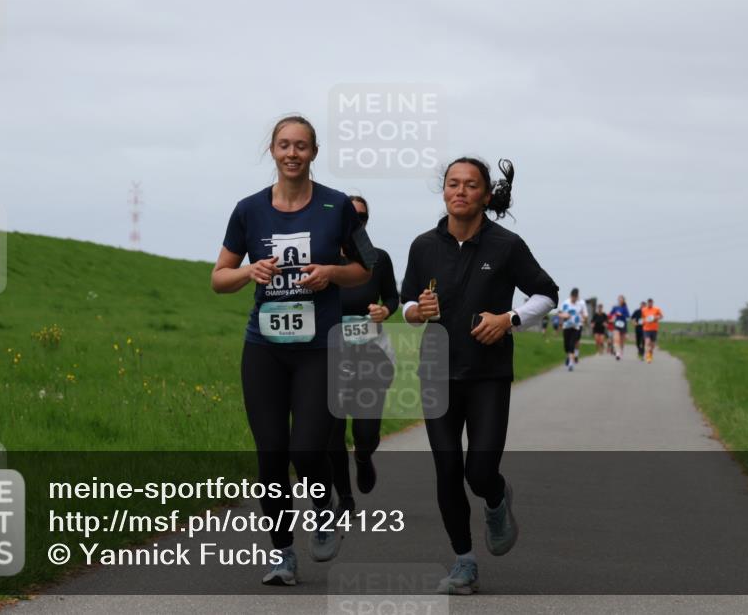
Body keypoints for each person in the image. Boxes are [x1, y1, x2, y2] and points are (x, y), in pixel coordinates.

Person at [211, 115, 377, 586]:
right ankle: (282, 553)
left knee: (307, 450)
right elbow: (218, 278)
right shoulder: (248, 210)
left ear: (313, 152)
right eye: (284, 145)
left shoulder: (337, 205)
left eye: (300, 146)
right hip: (264, 348)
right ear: (272, 151)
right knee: (270, 455)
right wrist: (248, 273)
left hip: (320, 347)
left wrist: (330, 273)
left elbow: (365, 267)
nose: (291, 153)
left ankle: (323, 507)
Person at [402, 157, 558, 595]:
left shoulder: (506, 245)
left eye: (471, 185)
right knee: (447, 469)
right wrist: (417, 312)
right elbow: (406, 305)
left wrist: (508, 319)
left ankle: (496, 498)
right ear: (445, 191)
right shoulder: (422, 246)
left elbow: (547, 294)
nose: (460, 191)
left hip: (488, 374)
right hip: (436, 372)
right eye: (453, 183)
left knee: (479, 470)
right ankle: (464, 561)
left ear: (486, 196)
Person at [328, 195, 399, 513]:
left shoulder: (377, 259)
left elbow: (393, 299)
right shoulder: (324, 258)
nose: (356, 221)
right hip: (331, 354)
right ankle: (344, 497)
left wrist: (384, 310)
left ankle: (363, 455)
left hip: (372, 353)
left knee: (366, 431)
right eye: (350, 215)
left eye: (362, 216)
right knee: (332, 429)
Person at [559, 288, 584, 371]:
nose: (574, 299)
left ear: (577, 297)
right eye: (573, 297)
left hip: (575, 327)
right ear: (571, 296)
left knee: (572, 344)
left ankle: (571, 363)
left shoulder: (579, 304)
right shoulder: (565, 303)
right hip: (566, 327)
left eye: (575, 297)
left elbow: (582, 315)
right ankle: (569, 356)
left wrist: (582, 319)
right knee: (566, 346)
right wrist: (564, 316)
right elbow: (559, 313)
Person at [641, 298, 664, 363]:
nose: (650, 303)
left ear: (652, 303)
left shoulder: (657, 309)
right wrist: (643, 321)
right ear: (647, 303)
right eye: (648, 302)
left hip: (654, 329)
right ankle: (648, 356)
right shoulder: (643, 310)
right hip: (646, 329)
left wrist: (656, 317)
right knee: (647, 342)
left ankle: (650, 354)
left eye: (651, 302)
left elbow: (661, 316)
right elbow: (642, 318)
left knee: (652, 345)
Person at [609, 295, 631, 361]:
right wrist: (613, 317)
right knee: (616, 339)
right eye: (619, 299)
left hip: (623, 325)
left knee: (622, 341)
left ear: (623, 300)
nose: (620, 300)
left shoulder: (625, 308)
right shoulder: (615, 307)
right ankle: (617, 353)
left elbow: (628, 316)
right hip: (617, 325)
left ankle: (621, 351)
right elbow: (610, 314)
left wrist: (621, 315)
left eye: (621, 299)